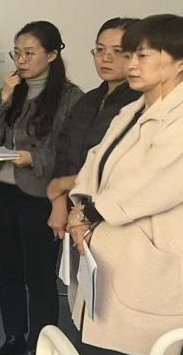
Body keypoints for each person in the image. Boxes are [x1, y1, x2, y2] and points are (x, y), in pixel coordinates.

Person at [67, 14, 183, 355]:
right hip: (106, 252)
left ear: (179, 62)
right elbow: (95, 161)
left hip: (149, 261)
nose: (131, 64)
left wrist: (89, 213)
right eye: (129, 55)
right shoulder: (133, 110)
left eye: (143, 56)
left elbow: (155, 183)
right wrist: (80, 207)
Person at [0, 22, 83, 355]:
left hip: (41, 194)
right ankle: (13, 338)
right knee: (7, 270)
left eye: (29, 53)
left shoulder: (70, 97)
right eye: (17, 53)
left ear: (52, 55)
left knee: (38, 276)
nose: (21, 61)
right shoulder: (12, 89)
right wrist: (3, 99)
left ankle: (41, 347)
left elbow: (73, 152)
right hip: (4, 191)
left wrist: (34, 158)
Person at [47, 18, 140, 240]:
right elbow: (62, 151)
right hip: (74, 210)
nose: (106, 58)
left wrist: (86, 213)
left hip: (116, 217)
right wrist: (59, 202)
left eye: (118, 51)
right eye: (100, 50)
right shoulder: (88, 100)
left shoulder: (140, 103)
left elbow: (132, 175)